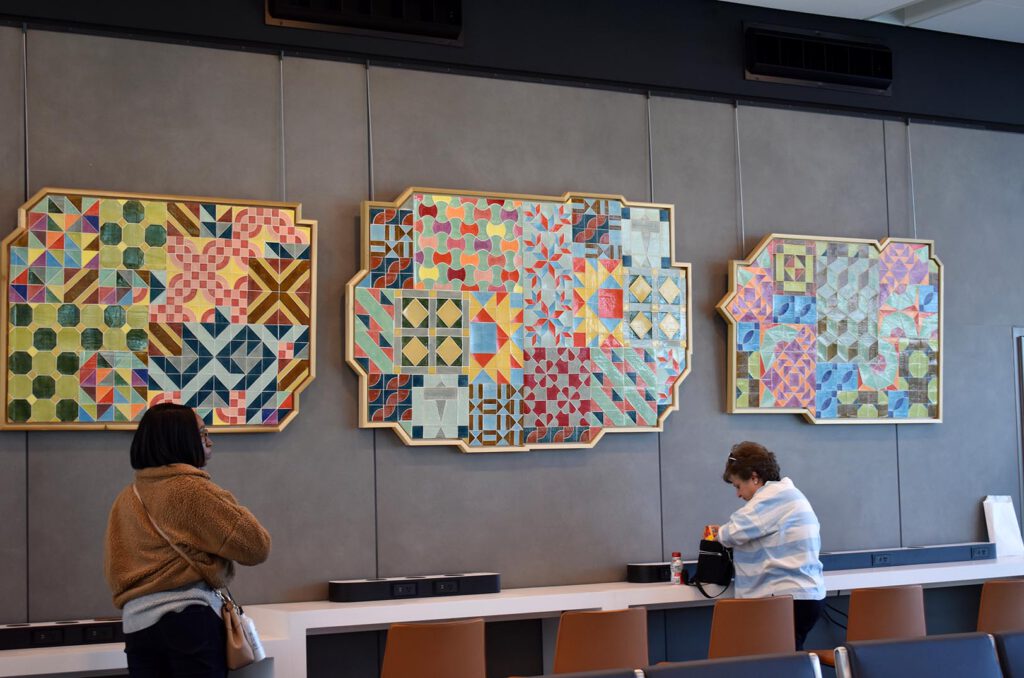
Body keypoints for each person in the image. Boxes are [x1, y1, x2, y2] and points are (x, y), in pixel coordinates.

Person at [104, 403, 271, 677]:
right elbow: (256, 546)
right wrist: (228, 503)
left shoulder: (126, 498)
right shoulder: (191, 489)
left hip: (137, 626)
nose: (209, 441)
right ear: (181, 439)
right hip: (189, 620)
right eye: (203, 433)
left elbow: (116, 568)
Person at [714, 441, 825, 651]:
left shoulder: (770, 498)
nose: (738, 494)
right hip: (806, 597)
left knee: (773, 661)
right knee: (786, 660)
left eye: (738, 486)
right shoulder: (790, 494)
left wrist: (716, 533)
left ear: (754, 477)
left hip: (785, 599)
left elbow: (731, 533)